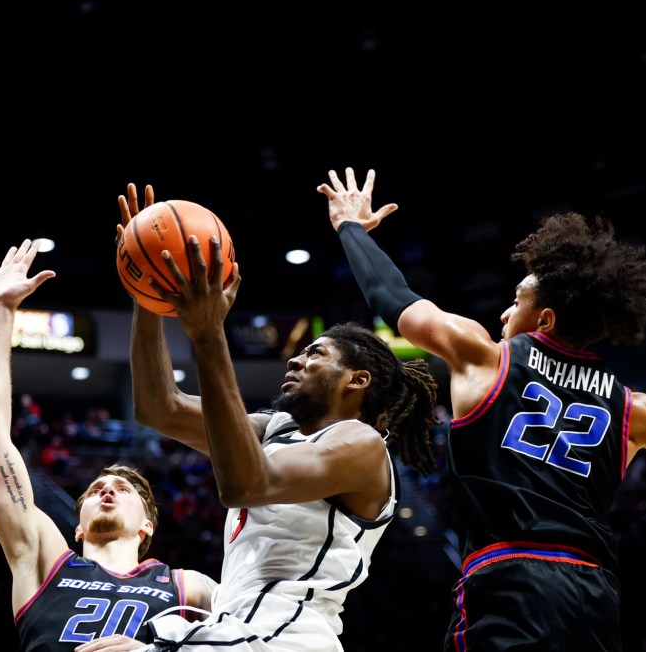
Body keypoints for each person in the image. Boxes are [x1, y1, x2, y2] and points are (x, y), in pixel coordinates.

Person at [320, 166, 646, 651]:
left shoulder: (483, 355)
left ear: (544, 318)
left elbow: (390, 296)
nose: (503, 312)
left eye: (516, 301)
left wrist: (349, 227)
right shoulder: (636, 409)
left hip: (511, 579)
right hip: (594, 592)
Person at [116, 184, 442, 651]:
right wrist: (147, 292)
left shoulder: (362, 446)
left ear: (357, 380)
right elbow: (158, 407)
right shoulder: (278, 428)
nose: (294, 361)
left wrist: (210, 335)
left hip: (286, 637)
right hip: (235, 629)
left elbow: (247, 485)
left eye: (315, 354)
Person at [0, 238, 216, 652]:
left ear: (147, 527)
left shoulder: (187, 586)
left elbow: (259, 638)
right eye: (97, 488)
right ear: (78, 525)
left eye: (126, 489)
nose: (108, 488)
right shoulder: (44, 558)